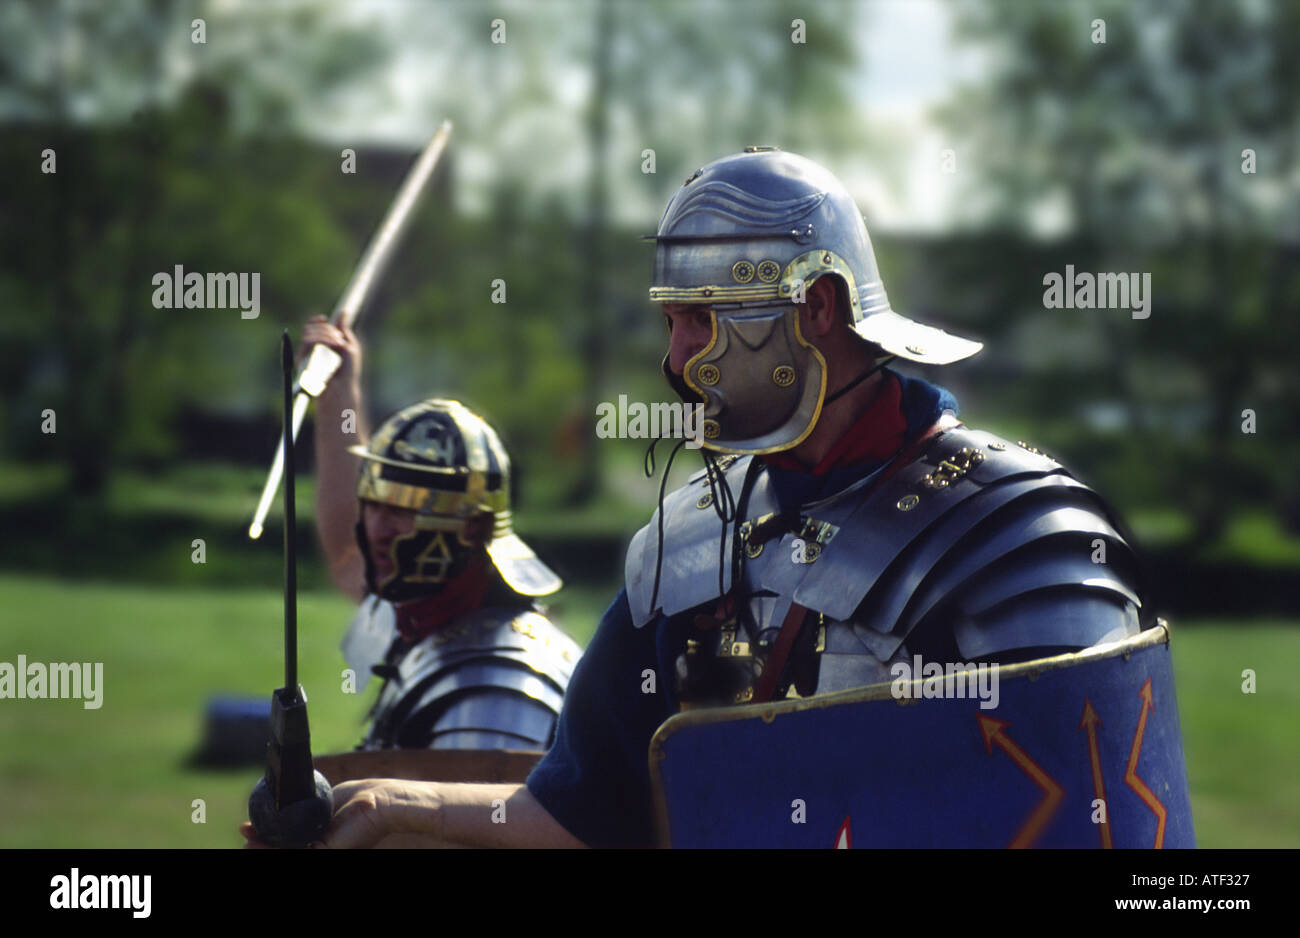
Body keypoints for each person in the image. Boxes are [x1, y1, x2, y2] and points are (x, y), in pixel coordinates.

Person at [283, 149, 1149, 848]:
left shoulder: (1011, 532)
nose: (675, 357)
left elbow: (1099, 823)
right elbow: (583, 810)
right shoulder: (690, 541)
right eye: (671, 321)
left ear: (813, 308)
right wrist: (401, 805)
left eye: (702, 318)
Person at [300, 316, 581, 751]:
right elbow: (346, 557)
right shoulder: (429, 603)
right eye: (373, 504)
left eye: (403, 511)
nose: (376, 529)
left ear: (474, 527)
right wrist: (338, 394)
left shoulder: (500, 681)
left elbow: (477, 816)